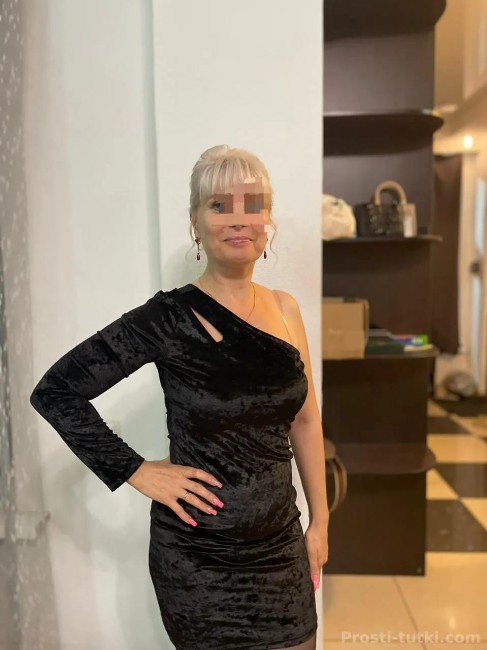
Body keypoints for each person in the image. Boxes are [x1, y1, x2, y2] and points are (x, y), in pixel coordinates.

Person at [30, 144, 329, 650]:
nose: (238, 219)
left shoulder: (286, 310)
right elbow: (56, 392)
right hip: (197, 561)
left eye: (251, 204)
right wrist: (136, 470)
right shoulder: (167, 318)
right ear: (195, 222)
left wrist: (321, 522)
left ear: (267, 221)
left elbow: (305, 422)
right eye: (219, 205)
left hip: (280, 546)